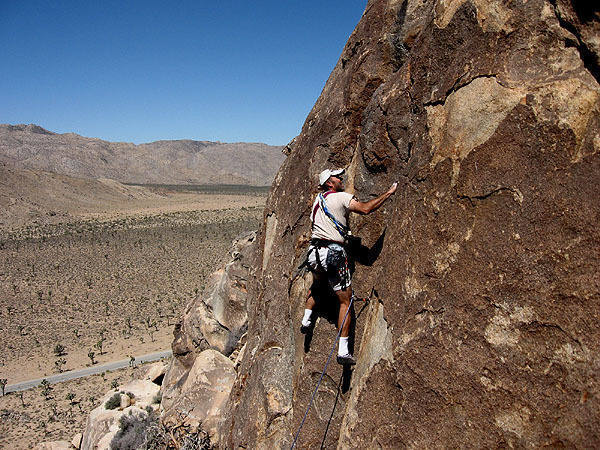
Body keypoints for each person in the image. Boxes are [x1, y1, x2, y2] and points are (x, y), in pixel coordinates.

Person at [301, 168, 397, 365]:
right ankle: (343, 351)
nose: (341, 178)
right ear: (329, 183)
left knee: (318, 286)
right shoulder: (340, 198)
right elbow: (365, 209)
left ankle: (306, 319)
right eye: (337, 177)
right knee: (345, 302)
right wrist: (388, 193)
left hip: (314, 254)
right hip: (333, 254)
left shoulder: (317, 202)